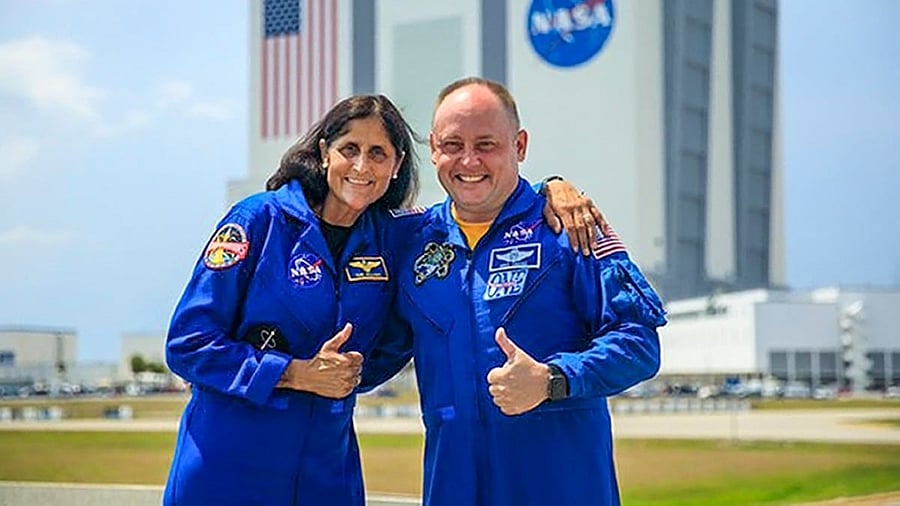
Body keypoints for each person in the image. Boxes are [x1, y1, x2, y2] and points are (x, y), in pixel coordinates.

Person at [163, 93, 605, 506]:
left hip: (327, 470)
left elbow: (486, 205)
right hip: (230, 460)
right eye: (349, 149)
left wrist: (554, 187)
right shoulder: (259, 220)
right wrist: (295, 374)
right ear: (323, 153)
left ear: (396, 166)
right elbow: (188, 344)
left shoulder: (397, 236)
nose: (361, 165)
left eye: (378, 153)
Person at [383, 77, 668, 506]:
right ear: (433, 148)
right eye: (453, 145)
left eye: (486, 144)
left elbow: (640, 343)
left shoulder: (569, 227)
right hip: (453, 486)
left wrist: (552, 379)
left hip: (562, 486)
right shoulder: (409, 239)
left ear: (520, 146)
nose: (469, 160)